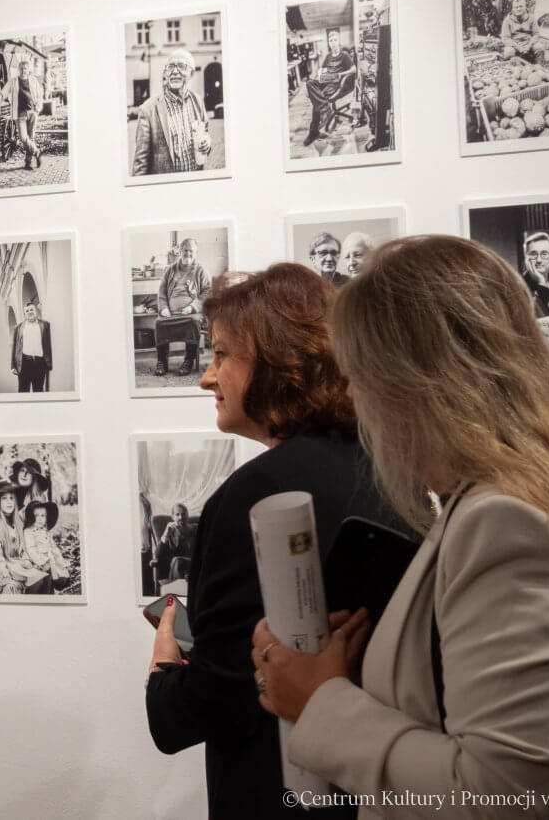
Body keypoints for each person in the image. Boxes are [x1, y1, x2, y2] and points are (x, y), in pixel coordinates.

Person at [252, 235, 549, 815]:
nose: (353, 395)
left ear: (410, 385)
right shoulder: (525, 495)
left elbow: (505, 797)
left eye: (358, 373)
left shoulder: (507, 523)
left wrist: (320, 702)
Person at [144, 265, 398, 820]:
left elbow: (223, 691)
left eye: (221, 356)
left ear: (277, 361)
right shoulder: (384, 469)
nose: (205, 378)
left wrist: (163, 674)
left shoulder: (257, 493)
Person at [132, 48, 213, 175]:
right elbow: (140, 164)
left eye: (181, 66)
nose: (175, 72)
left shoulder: (197, 100)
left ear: (191, 73)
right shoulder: (148, 110)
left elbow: (205, 132)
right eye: (170, 67)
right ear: (165, 73)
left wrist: (207, 143)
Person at [155, 237, 212, 376]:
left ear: (196, 252)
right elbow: (161, 291)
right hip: (170, 312)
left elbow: (208, 292)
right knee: (159, 322)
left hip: (190, 313)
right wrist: (164, 308)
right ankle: (162, 361)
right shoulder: (170, 270)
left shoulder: (201, 271)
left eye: (191, 251)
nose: (188, 253)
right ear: (180, 251)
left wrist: (192, 307)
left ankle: (188, 360)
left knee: (193, 322)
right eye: (185, 250)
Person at [0, 483, 52, 595]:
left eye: (12, 498)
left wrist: (27, 560)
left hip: (19, 564)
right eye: (4, 498)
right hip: (5, 568)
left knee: (46, 577)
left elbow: (24, 548)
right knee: (34, 581)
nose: (9, 502)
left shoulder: (17, 523)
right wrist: (5, 576)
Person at [302, 28, 356, 147]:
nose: (333, 42)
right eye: (330, 40)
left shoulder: (344, 55)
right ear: (329, 43)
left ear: (338, 41)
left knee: (318, 100)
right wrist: (317, 77)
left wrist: (340, 74)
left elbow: (354, 69)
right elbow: (322, 71)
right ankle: (326, 110)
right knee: (309, 83)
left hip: (336, 81)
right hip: (326, 78)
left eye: (335, 39)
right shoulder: (328, 56)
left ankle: (313, 132)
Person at [0, 58, 44, 170]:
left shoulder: (33, 80)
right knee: (23, 137)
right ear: (18, 69)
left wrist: (38, 108)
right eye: (21, 68)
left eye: (25, 68)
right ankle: (37, 152)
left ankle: (28, 163)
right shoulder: (13, 81)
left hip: (32, 112)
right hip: (20, 114)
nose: (23, 70)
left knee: (31, 137)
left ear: (28, 70)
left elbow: (40, 95)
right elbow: (3, 93)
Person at [22, 501, 72, 591]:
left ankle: (50, 591)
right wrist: (41, 562)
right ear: (31, 517)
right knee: (44, 578)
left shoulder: (46, 531)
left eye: (43, 516)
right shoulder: (29, 531)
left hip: (50, 561)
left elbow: (53, 548)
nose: (40, 519)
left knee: (57, 578)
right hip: (37, 562)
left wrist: (61, 562)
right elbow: (31, 549)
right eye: (36, 515)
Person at [10, 301, 52, 392]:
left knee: (39, 390)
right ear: (24, 314)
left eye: (32, 309)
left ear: (36, 311)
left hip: (40, 363)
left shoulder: (45, 325)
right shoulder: (18, 327)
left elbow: (49, 344)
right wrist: (13, 366)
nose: (30, 312)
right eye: (27, 311)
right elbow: (14, 347)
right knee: (23, 390)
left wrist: (49, 363)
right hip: (24, 363)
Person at [155, 503, 194, 582]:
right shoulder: (170, 533)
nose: (181, 517)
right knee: (177, 561)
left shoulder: (196, 529)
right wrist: (166, 533)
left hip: (194, 564)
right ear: (173, 517)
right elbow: (157, 554)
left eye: (183, 514)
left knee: (177, 561)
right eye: (177, 514)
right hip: (177, 567)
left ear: (187, 515)